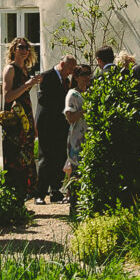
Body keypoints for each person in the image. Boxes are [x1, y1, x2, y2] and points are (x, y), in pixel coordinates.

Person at [0, 38, 39, 200]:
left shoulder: (25, 70)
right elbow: (7, 97)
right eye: (21, 47)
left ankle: (24, 197)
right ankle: (14, 199)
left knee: (27, 157)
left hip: (25, 118)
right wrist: (27, 85)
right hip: (13, 123)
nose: (24, 50)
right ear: (13, 49)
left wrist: (32, 123)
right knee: (15, 160)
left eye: (27, 48)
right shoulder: (10, 69)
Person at [34, 51, 73, 201]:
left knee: (59, 156)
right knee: (46, 158)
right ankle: (40, 193)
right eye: (69, 69)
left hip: (60, 124)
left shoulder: (66, 81)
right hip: (47, 123)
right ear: (62, 64)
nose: (70, 73)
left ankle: (55, 190)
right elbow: (45, 100)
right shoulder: (47, 76)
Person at [62, 60, 89, 196]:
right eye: (83, 74)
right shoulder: (72, 94)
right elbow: (69, 117)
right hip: (77, 139)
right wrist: (84, 111)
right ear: (76, 77)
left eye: (88, 74)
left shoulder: (91, 92)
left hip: (89, 138)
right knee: (76, 172)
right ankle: (74, 203)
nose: (87, 77)